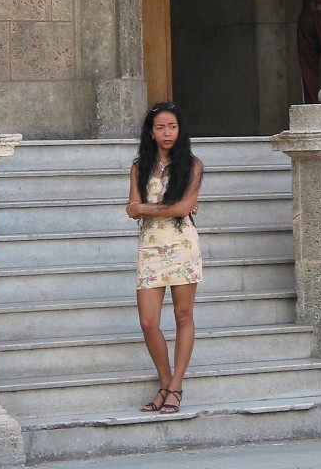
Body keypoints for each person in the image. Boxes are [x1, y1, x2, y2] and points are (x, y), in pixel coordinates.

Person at [126, 102, 203, 415]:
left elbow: (183, 208)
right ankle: (165, 381)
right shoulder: (139, 166)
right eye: (160, 127)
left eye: (172, 127)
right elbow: (131, 209)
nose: (167, 133)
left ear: (180, 130)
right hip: (150, 248)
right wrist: (160, 208)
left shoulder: (192, 165)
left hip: (182, 246)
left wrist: (147, 208)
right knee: (148, 322)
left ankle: (176, 386)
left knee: (183, 316)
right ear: (151, 132)